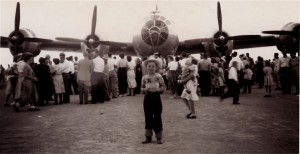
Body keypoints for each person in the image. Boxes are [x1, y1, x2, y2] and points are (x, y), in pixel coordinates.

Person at [141, 58, 166, 144]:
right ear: (146, 67)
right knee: (148, 116)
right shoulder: (144, 77)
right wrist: (145, 90)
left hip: (156, 97)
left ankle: (159, 137)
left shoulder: (159, 76)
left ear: (156, 68)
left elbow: (163, 87)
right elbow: (141, 88)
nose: (151, 68)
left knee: (157, 117)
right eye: (149, 66)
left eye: (153, 66)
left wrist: (158, 90)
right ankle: (148, 137)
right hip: (147, 98)